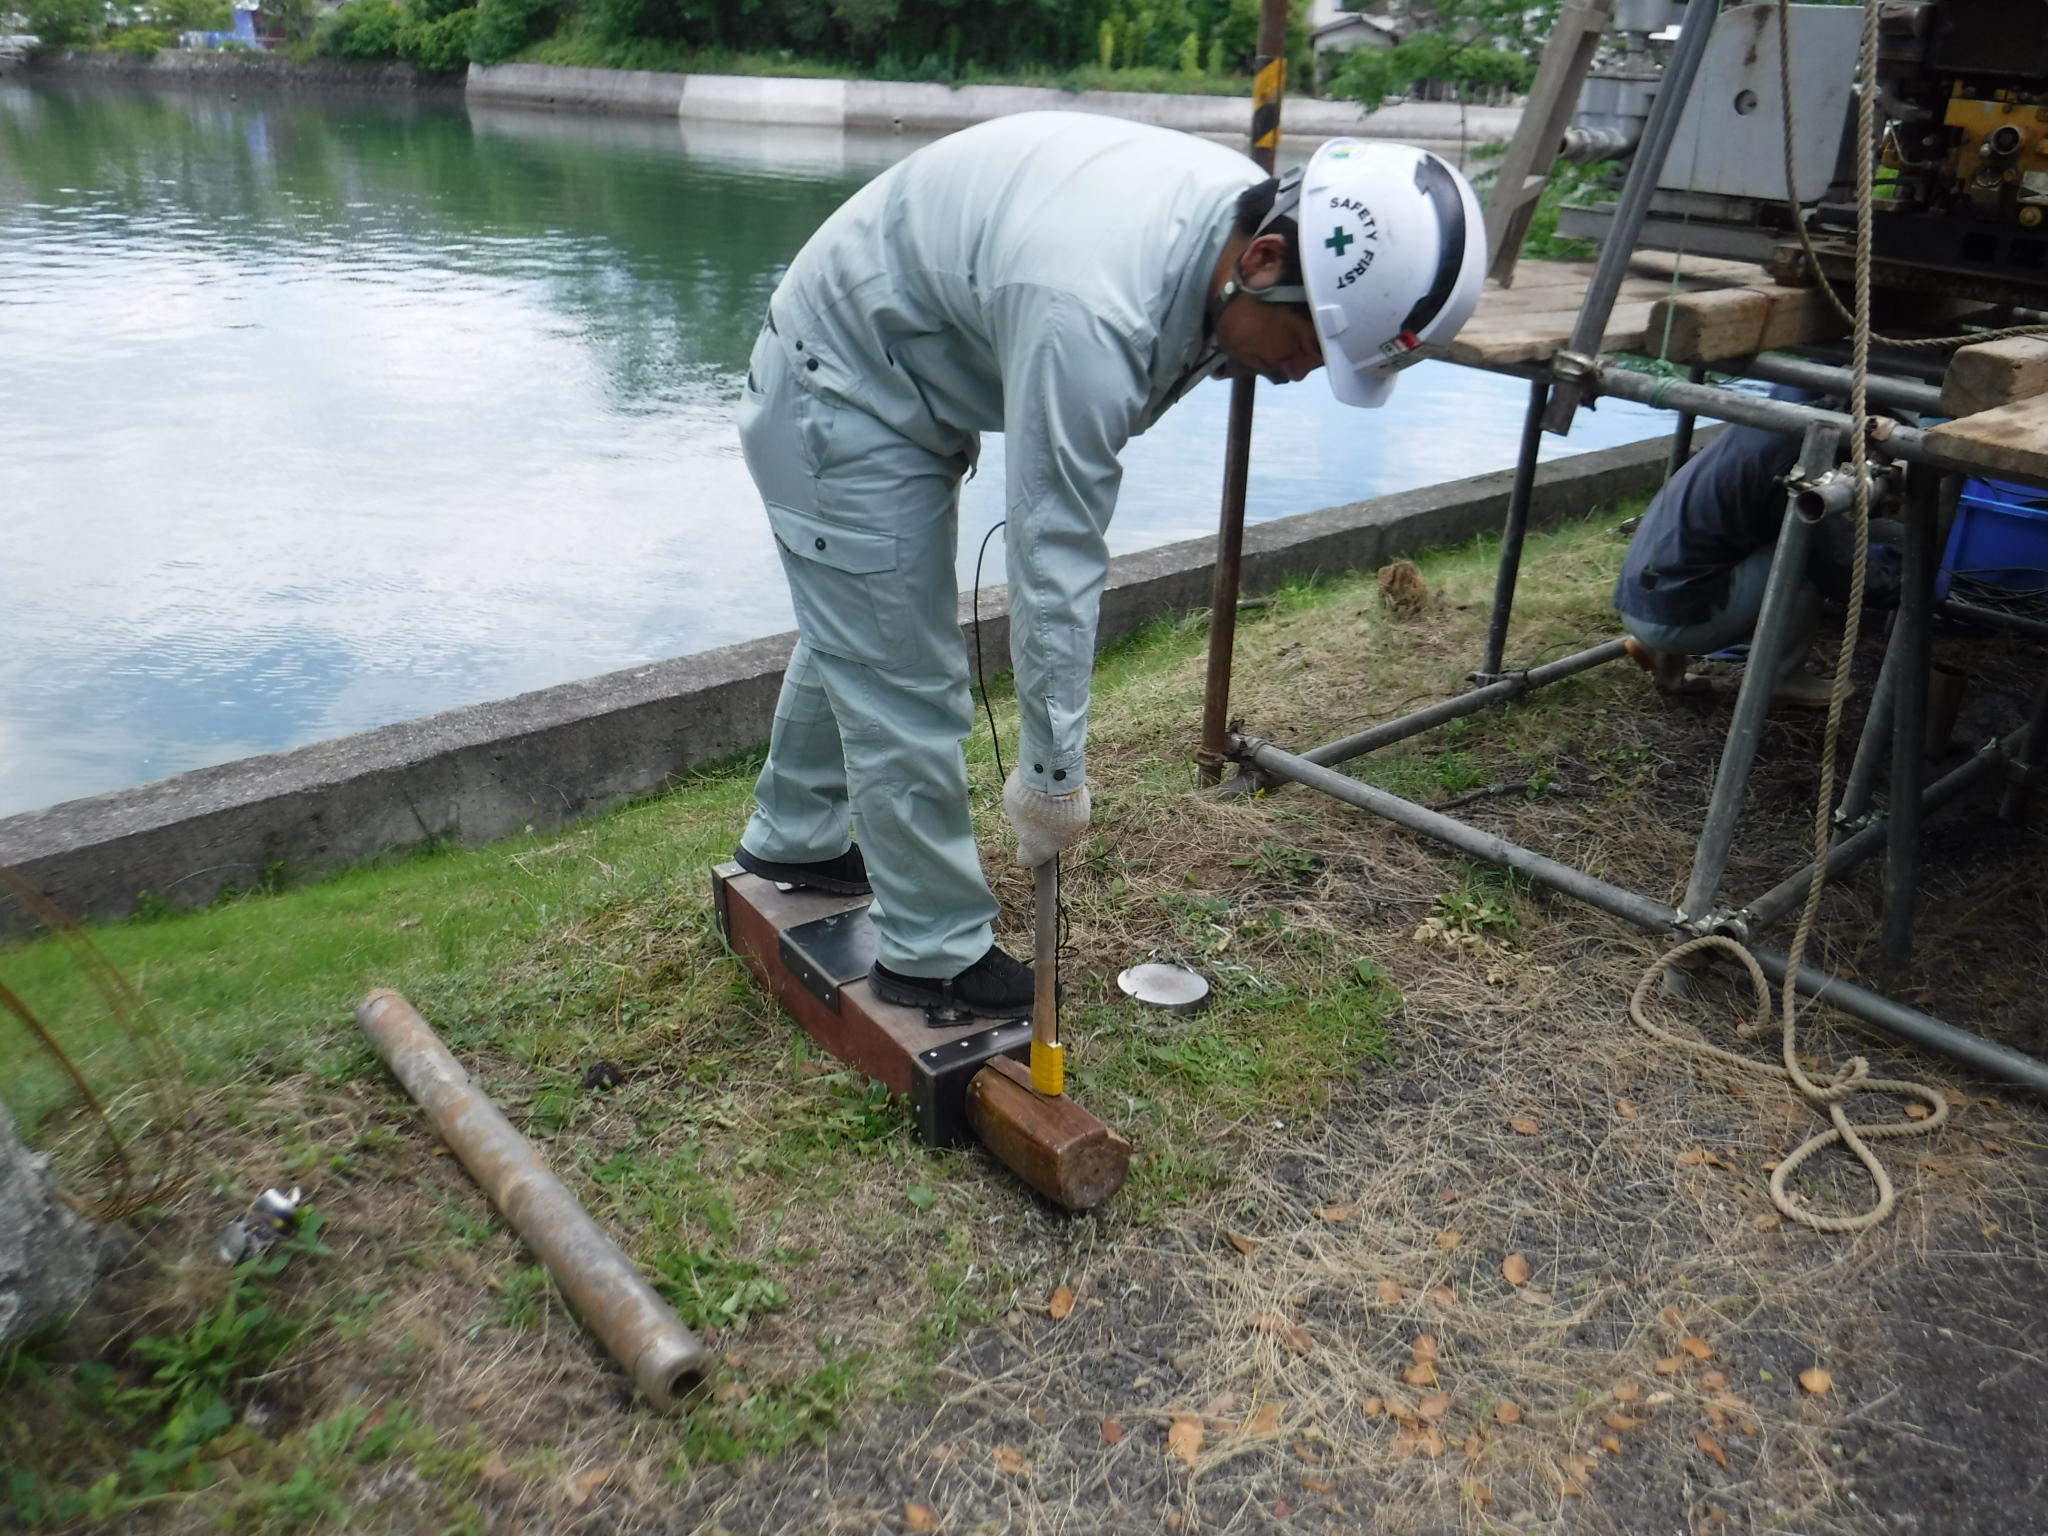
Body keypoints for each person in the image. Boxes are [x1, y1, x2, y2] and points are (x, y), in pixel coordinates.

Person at [731, 112, 1484, 1018]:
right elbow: (1054, 553)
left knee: (863, 617)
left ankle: (796, 840)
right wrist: (1053, 780)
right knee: (904, 672)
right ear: (1265, 260)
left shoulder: (1225, 234)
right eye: (1307, 344)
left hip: (900, 364)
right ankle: (932, 953)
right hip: (840, 385)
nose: (1298, 373)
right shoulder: (1094, 310)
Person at [1613, 388, 1900, 706]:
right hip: (1679, 622)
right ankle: (1782, 678)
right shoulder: (1804, 463)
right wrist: (1908, 583)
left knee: (1710, 544)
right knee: (1803, 550)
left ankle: (1662, 660)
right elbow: (1841, 568)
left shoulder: (1764, 427)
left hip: (1636, 600)